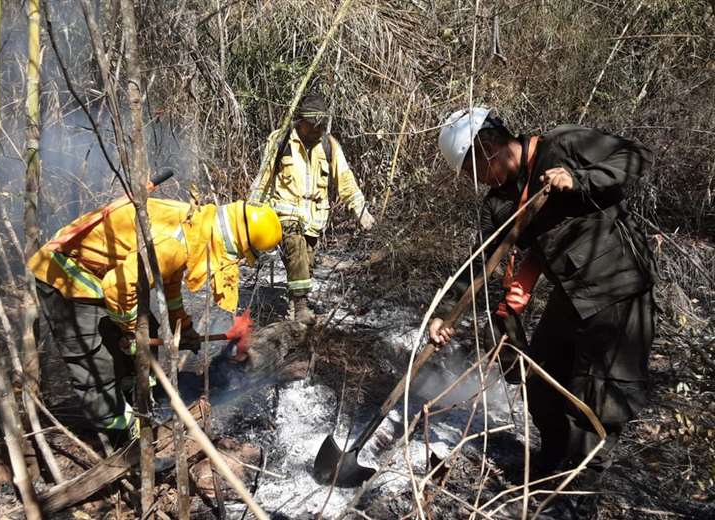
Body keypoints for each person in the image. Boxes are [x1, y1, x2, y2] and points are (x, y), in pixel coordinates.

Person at [431, 107, 656, 516]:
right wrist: (446, 315)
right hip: (572, 293)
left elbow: (635, 156)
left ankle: (579, 490)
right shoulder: (500, 202)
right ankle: (553, 467)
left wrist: (579, 180)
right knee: (542, 379)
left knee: (595, 393)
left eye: (473, 171)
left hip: (618, 283)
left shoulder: (563, 145)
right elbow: (478, 262)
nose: (476, 181)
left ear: (489, 149)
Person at [28, 198, 282, 444]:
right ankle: (122, 437)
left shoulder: (198, 227)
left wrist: (181, 325)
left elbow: (168, 281)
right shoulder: (175, 243)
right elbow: (118, 287)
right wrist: (129, 331)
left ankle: (138, 396)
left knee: (146, 327)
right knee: (97, 359)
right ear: (235, 244)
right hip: (66, 270)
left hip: (105, 275)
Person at [249, 94, 375, 324]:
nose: (316, 129)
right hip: (286, 215)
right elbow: (263, 180)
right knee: (295, 249)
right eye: (311, 124)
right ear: (301, 120)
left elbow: (345, 180)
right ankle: (300, 307)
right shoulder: (281, 140)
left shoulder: (328, 146)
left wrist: (361, 209)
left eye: (320, 124)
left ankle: (294, 313)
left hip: (315, 220)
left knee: (304, 265)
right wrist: (250, 215)